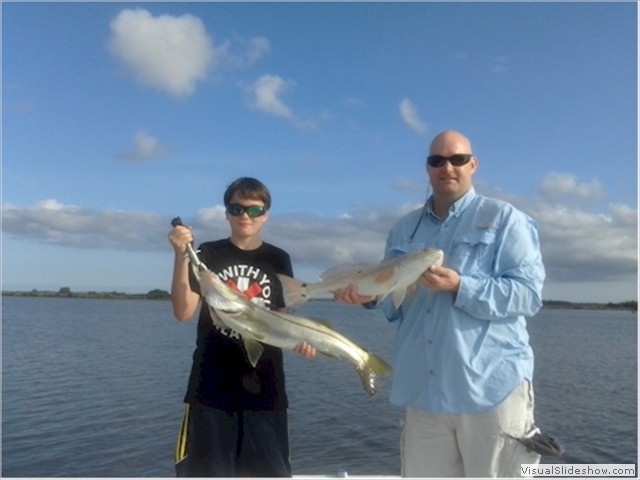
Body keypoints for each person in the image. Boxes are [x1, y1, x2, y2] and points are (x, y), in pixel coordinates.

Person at [335, 130, 546, 477]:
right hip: (424, 394)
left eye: (457, 159)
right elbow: (396, 307)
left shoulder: (506, 219)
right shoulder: (404, 229)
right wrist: (370, 298)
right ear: (427, 168)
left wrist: (461, 286)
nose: (447, 167)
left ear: (473, 164)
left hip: (491, 391)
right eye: (437, 160)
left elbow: (528, 295)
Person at [168, 177, 315, 477]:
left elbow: (284, 319)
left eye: (254, 209)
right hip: (209, 391)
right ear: (226, 214)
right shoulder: (207, 254)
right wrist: (181, 256)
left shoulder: (278, 258)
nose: (245, 216)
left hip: (266, 394)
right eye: (236, 209)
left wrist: (302, 341)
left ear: (266, 214)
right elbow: (183, 312)